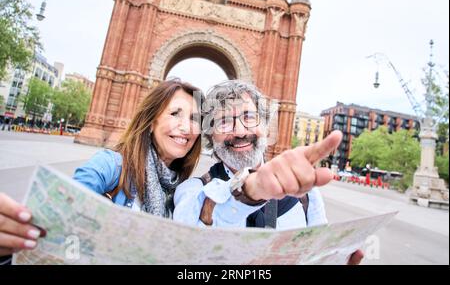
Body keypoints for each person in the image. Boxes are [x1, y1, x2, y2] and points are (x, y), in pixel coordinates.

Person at [0, 79, 204, 264]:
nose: (186, 127)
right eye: (175, 113)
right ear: (151, 122)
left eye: (194, 119)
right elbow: (60, 212)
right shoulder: (111, 165)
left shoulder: (183, 191)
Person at [174, 80, 364, 265]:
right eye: (224, 122)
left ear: (265, 126)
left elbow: (317, 256)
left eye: (249, 117)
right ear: (210, 135)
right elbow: (190, 249)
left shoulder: (307, 196)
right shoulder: (192, 192)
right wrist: (250, 191)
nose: (240, 131)